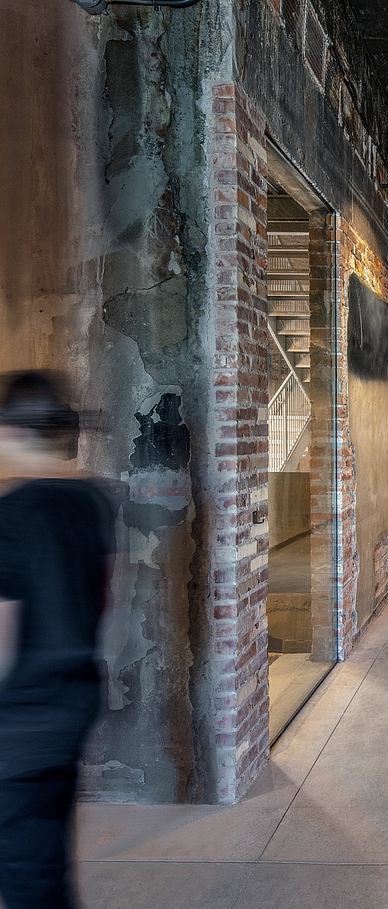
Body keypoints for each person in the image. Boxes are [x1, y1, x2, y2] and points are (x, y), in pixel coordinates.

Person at [0, 371, 115, 908]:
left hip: (21, 718)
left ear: (15, 431)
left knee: (29, 876)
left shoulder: (12, 515)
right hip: (75, 696)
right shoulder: (92, 502)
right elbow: (102, 597)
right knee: (46, 860)